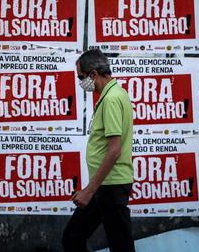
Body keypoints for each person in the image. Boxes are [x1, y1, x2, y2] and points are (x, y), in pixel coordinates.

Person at [62, 49, 135, 252]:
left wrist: (88, 191)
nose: (80, 82)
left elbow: (114, 150)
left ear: (93, 74)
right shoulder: (112, 94)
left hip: (110, 186)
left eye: (81, 77)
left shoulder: (111, 99)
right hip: (104, 185)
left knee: (120, 246)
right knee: (72, 237)